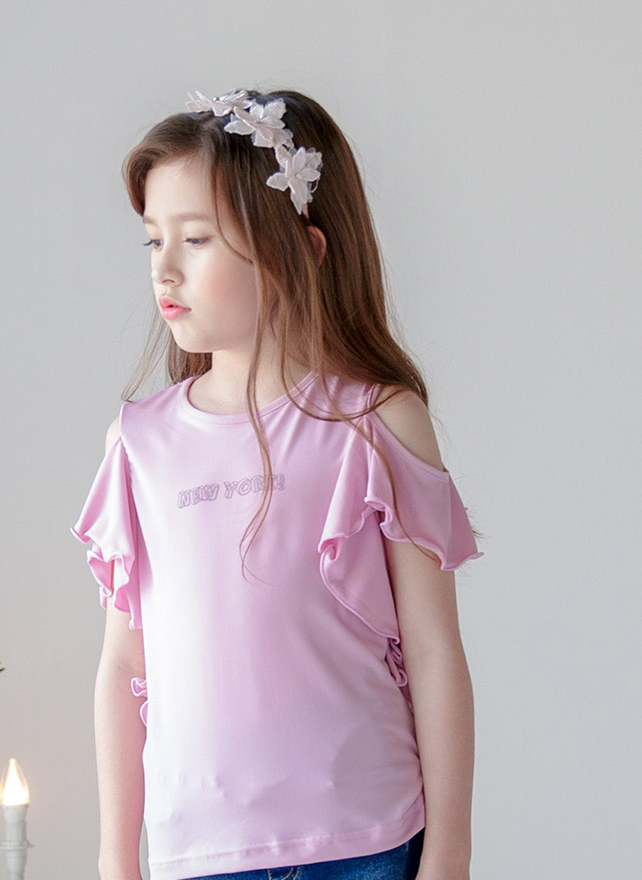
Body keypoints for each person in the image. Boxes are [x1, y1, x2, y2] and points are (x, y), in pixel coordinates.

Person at [72, 88, 483, 880]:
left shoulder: (375, 424)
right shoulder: (140, 445)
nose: (164, 267)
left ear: (304, 250)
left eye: (197, 239)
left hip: (366, 843)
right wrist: (115, 859)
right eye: (154, 239)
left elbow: (435, 651)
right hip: (200, 853)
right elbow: (124, 665)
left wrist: (450, 855)